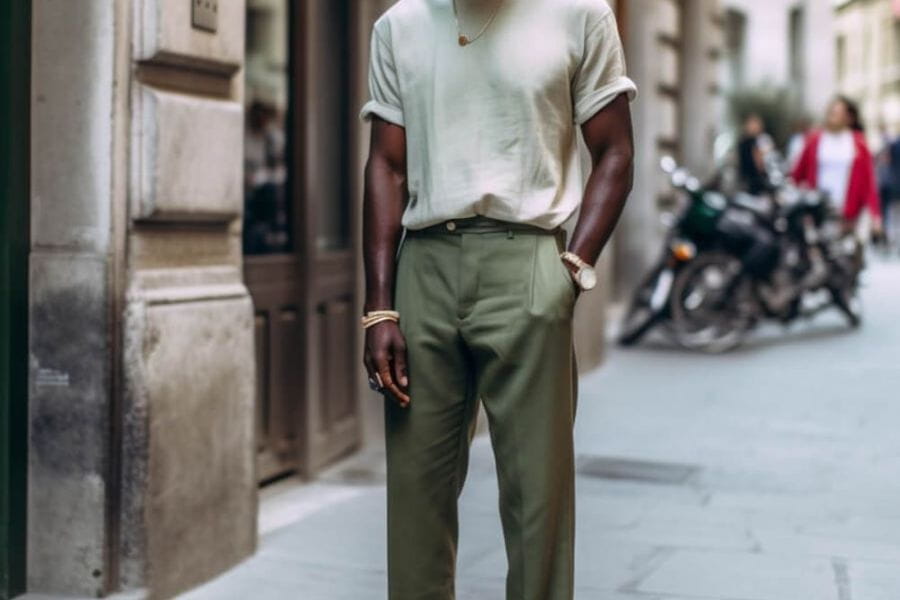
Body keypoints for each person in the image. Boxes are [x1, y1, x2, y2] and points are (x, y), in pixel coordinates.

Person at [359, 0, 636, 598]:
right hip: (424, 268)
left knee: (539, 499)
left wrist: (573, 269)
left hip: (531, 264)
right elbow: (385, 165)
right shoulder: (399, 25)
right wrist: (379, 306)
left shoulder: (581, 14)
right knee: (416, 496)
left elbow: (614, 151)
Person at [792, 96, 882, 235]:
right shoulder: (814, 140)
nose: (832, 116)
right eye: (831, 111)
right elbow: (797, 175)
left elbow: (869, 184)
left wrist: (875, 216)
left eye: (838, 112)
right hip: (818, 214)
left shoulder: (858, 144)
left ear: (849, 117)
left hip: (847, 217)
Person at [737, 113, 773, 195]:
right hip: (749, 180)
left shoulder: (761, 140)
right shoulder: (745, 141)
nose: (754, 127)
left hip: (758, 180)